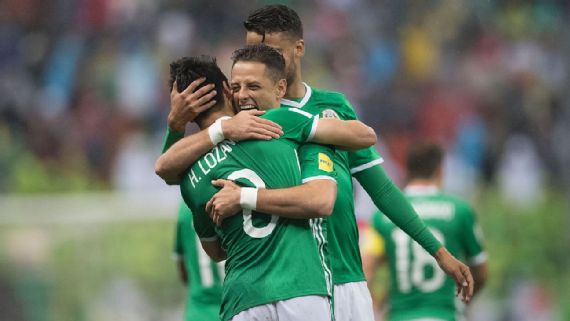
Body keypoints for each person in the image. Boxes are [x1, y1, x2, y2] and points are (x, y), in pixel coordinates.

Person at [156, 46, 377, 321]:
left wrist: (178, 125)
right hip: (301, 287)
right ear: (226, 89)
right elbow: (365, 137)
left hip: (241, 298)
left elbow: (214, 251)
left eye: (251, 86)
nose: (243, 94)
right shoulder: (276, 122)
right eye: (237, 86)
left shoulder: (189, 178)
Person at [362, 141, 488, 321]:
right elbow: (481, 273)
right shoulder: (460, 211)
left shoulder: (381, 217)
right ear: (440, 170)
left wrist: (379, 306)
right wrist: (465, 300)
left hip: (400, 316)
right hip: (445, 315)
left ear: (407, 171)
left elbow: (366, 272)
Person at [173, 203, 224, 321]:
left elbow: (183, 271)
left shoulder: (185, 207)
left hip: (198, 311)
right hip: (237, 309)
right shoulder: (234, 198)